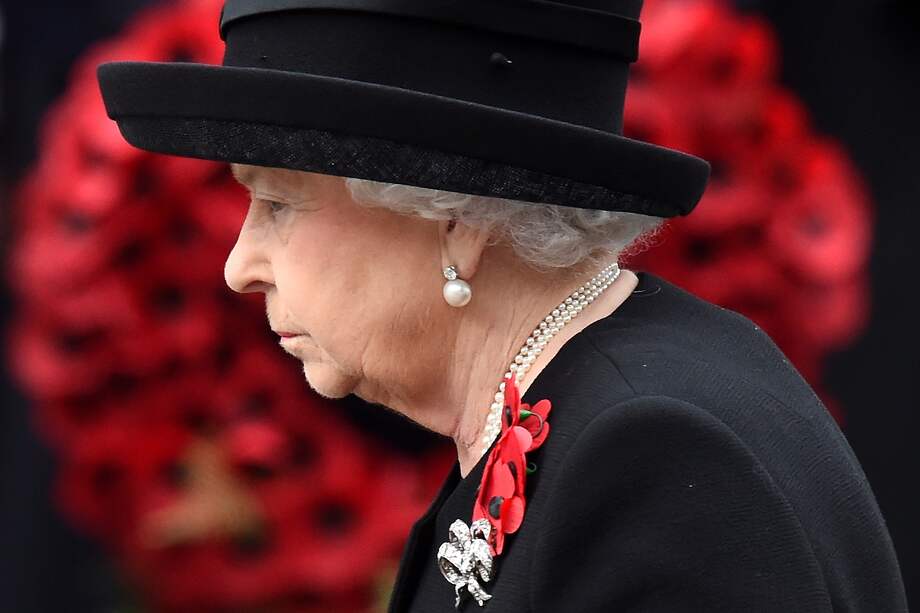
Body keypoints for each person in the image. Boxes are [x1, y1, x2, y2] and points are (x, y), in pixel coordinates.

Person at [97, 0, 908, 610]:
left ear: (453, 215)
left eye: (278, 202)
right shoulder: (593, 404)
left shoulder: (651, 456)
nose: (239, 267)